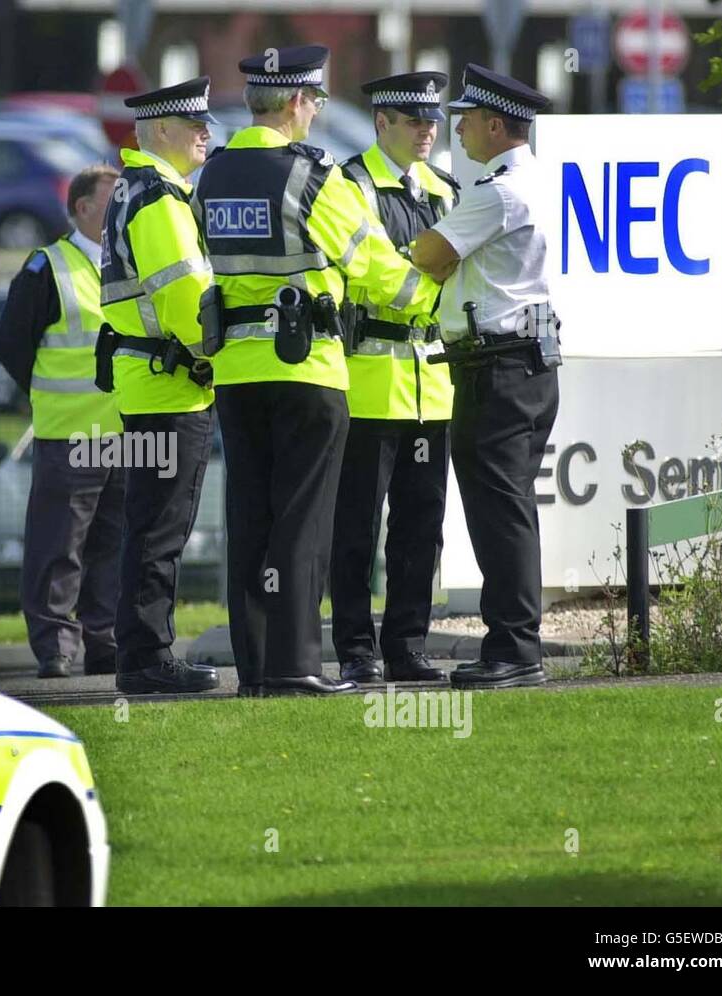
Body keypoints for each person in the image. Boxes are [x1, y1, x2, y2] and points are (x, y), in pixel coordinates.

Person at [193, 46, 440, 697]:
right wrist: (437, 289)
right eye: (317, 101)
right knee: (303, 521)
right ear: (299, 103)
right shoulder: (313, 178)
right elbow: (380, 271)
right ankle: (297, 664)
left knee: (249, 518)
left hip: (237, 376)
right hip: (308, 373)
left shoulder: (212, 177)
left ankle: (255, 668)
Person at [410, 63, 560, 690]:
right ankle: (512, 644)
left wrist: (427, 257)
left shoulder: (497, 191)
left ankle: (515, 652)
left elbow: (428, 255)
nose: (459, 129)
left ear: (496, 124)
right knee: (510, 508)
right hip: (525, 362)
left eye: (467, 119)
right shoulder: (530, 181)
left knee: (500, 513)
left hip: (496, 366)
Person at [329, 72, 459, 686]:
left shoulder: (445, 190)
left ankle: (406, 646)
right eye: (414, 120)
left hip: (431, 386)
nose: (428, 129)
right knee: (356, 526)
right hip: (368, 384)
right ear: (382, 123)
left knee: (420, 527)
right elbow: (373, 274)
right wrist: (424, 275)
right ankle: (356, 650)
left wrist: (417, 273)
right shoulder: (351, 186)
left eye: (431, 120)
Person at [98, 76, 221, 694]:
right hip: (170, 385)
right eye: (195, 124)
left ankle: (141, 657)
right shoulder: (160, 202)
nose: (207, 132)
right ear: (162, 132)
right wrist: (220, 355)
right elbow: (185, 303)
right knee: (160, 531)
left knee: (151, 525)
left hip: (150, 384)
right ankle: (148, 661)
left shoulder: (139, 189)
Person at [0, 164, 126, 679]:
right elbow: (10, 345)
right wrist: (46, 395)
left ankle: (105, 642)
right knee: (59, 546)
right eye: (110, 200)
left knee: (112, 546)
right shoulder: (47, 267)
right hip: (69, 435)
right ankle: (55, 648)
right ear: (82, 208)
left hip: (123, 436)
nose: (119, 210)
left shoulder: (131, 263)